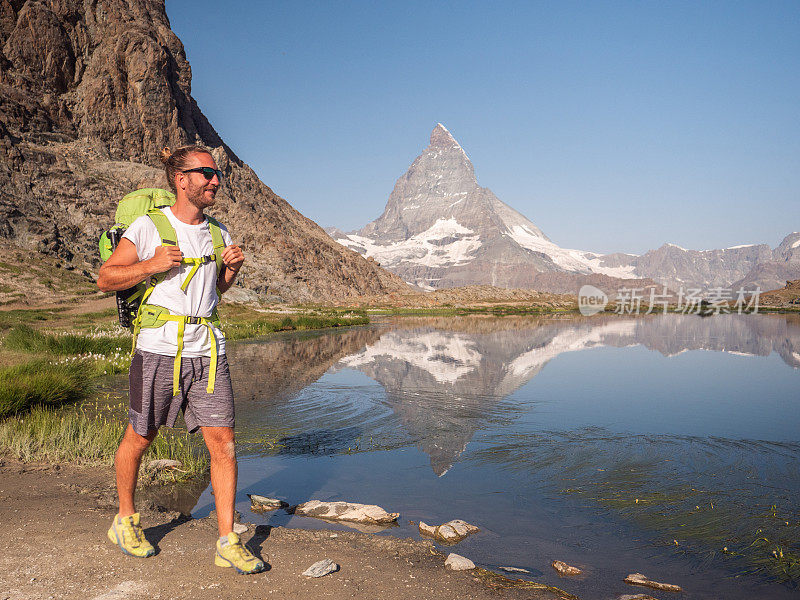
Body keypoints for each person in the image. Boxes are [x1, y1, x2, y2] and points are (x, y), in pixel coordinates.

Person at [96, 145, 264, 574]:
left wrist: (231, 271)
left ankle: (227, 540)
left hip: (207, 350)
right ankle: (125, 520)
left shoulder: (218, 231)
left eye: (217, 173)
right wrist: (150, 264)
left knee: (223, 445)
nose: (215, 180)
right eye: (205, 172)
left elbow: (214, 293)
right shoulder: (150, 225)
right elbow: (106, 277)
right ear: (181, 179)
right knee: (142, 437)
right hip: (157, 348)